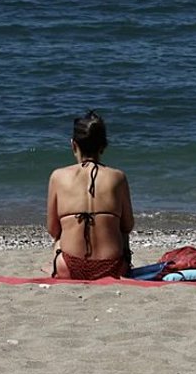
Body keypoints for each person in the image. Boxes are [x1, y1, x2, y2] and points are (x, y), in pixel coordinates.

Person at [45, 111, 135, 279]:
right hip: (113, 267)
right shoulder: (118, 177)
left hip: (69, 267)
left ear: (73, 145)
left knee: (59, 237)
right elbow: (128, 226)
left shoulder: (58, 176)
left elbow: (53, 229)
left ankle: (56, 267)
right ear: (103, 146)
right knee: (120, 230)